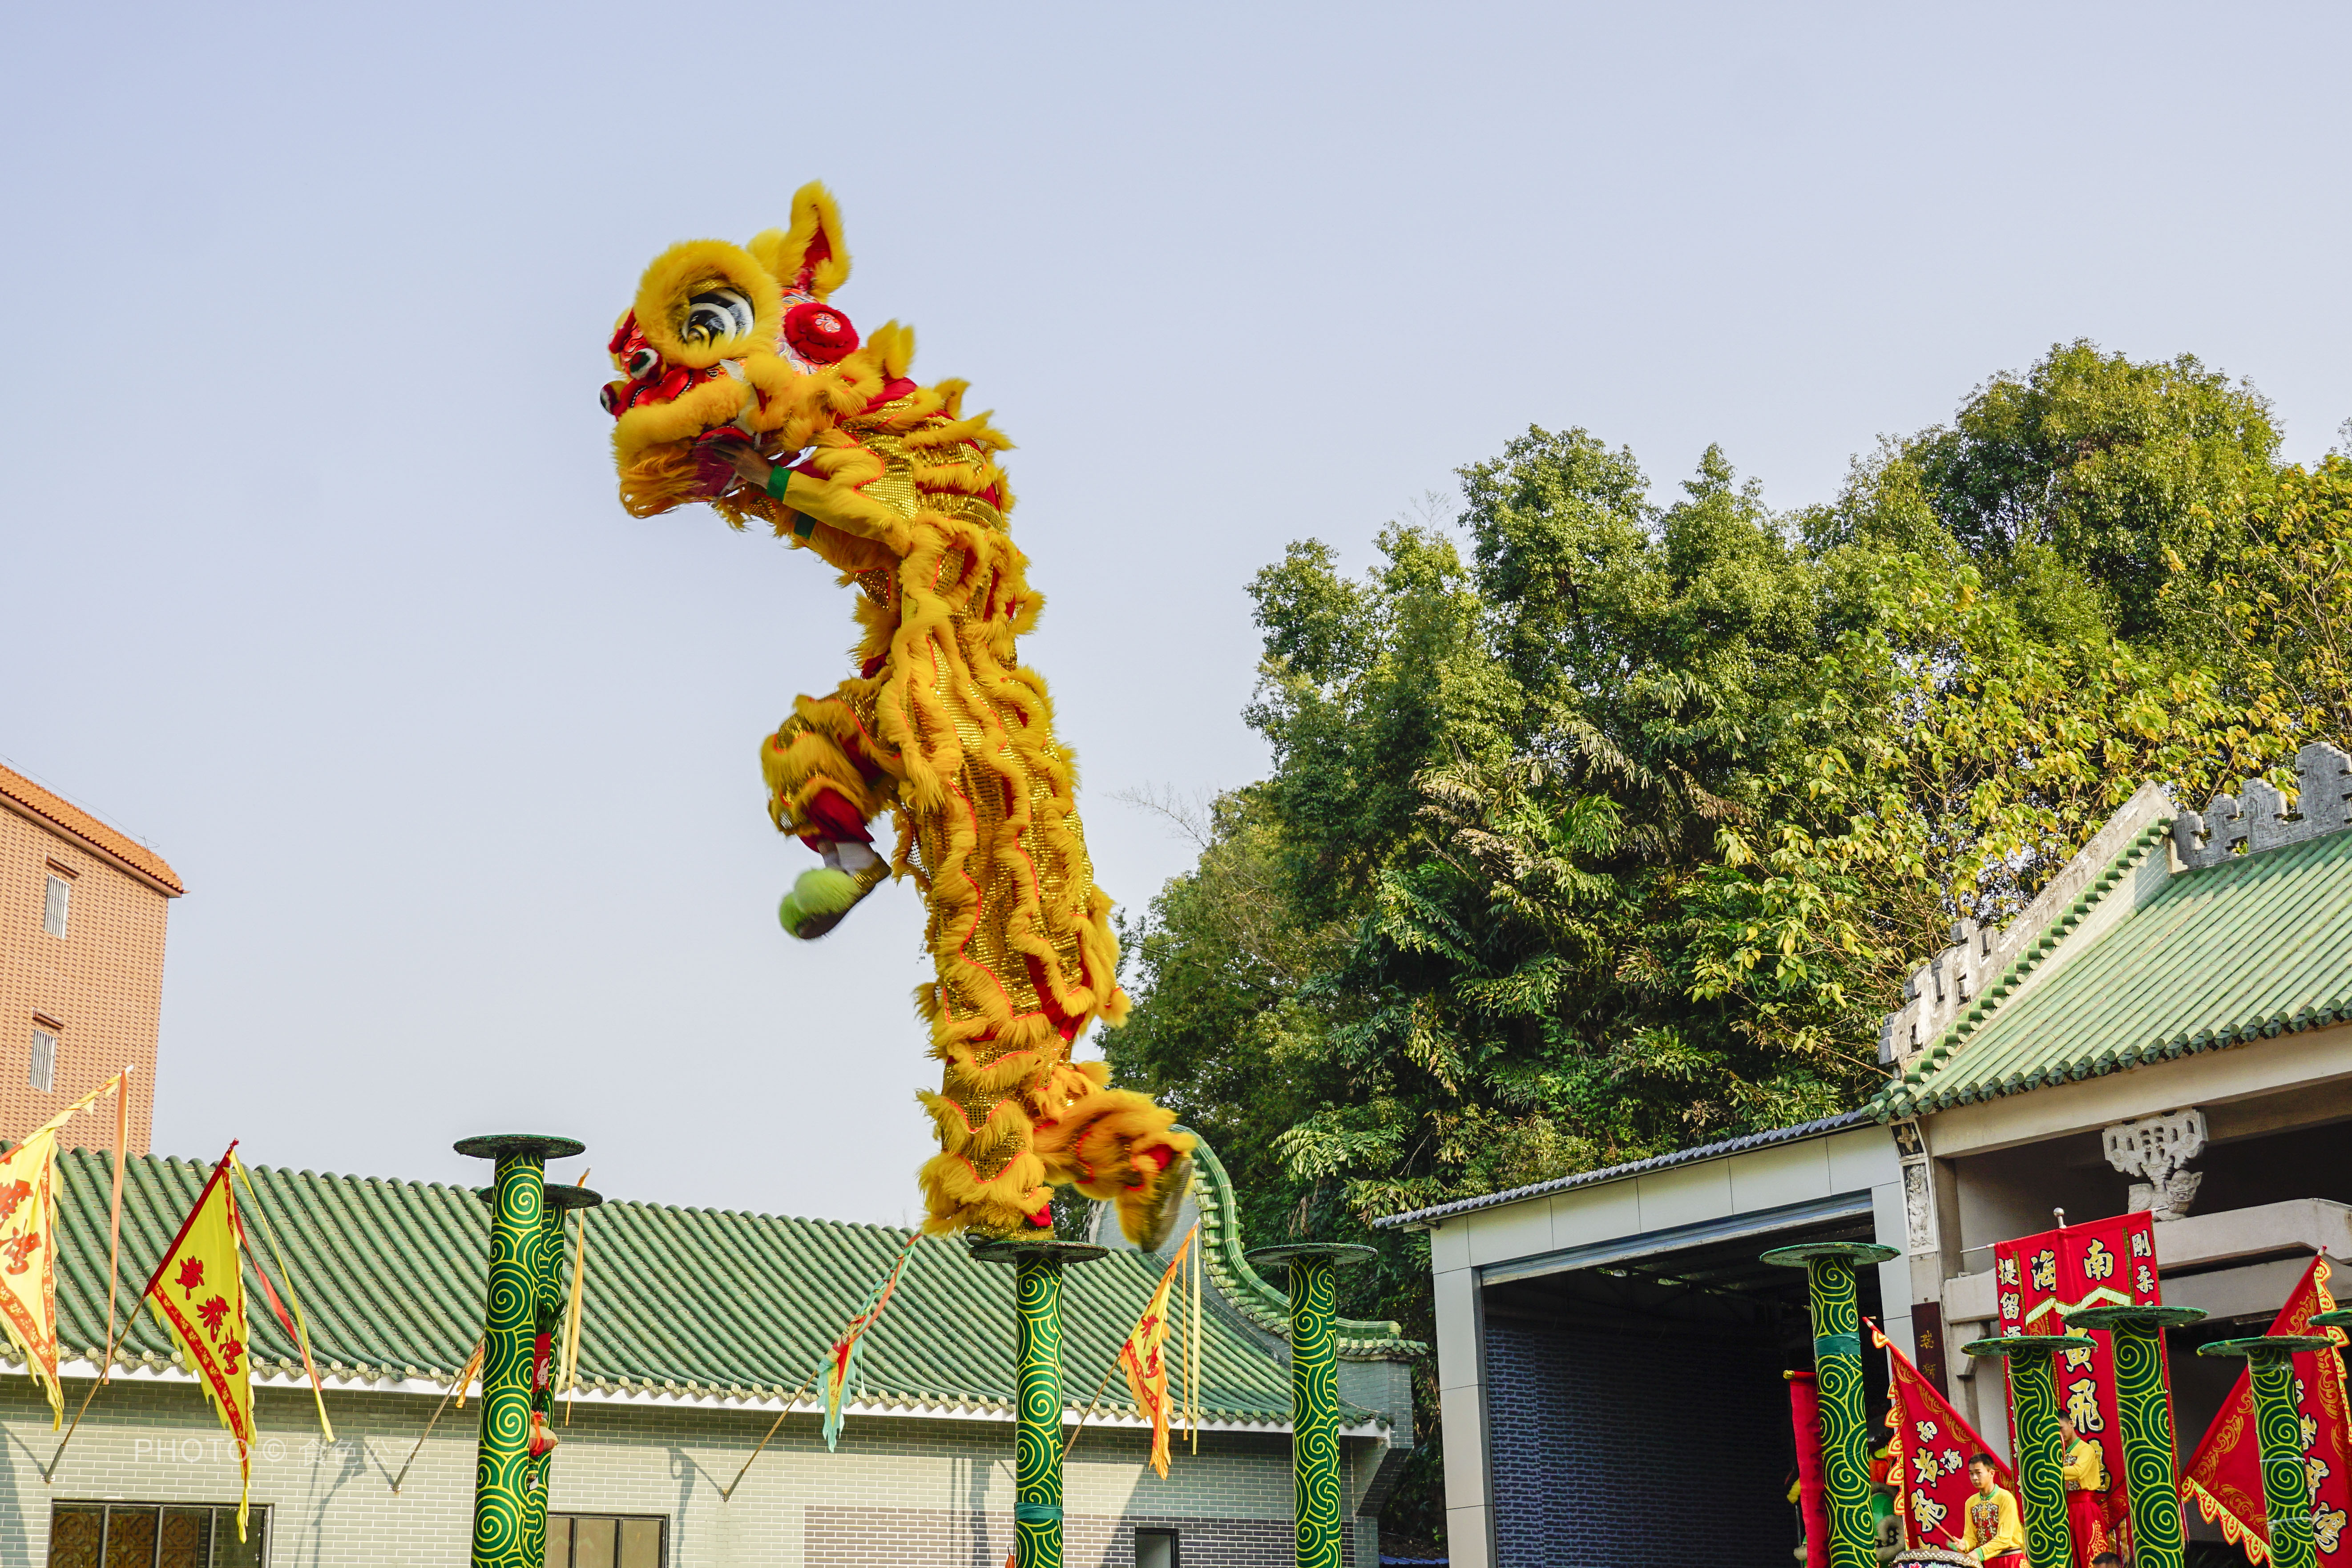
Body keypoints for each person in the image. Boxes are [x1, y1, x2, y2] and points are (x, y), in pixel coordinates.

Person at [1954, 1453, 2025, 1566]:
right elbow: (1971, 1536)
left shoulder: (2005, 1498)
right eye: (1971, 1474)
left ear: (1992, 1473)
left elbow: (2004, 1538)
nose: (1974, 1478)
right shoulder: (1970, 1503)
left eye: (1978, 1473)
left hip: (2011, 1560)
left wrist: (1979, 1553)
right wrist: (1964, 1543)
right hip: (1989, 1561)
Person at [2059, 1416, 2112, 1566]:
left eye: (2061, 1428)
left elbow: (2078, 1471)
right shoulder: (2059, 1453)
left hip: (2085, 1509)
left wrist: (2052, 1471)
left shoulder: (2086, 1449)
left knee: (2090, 1554)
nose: (2060, 1433)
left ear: (2071, 1424)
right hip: (2066, 1509)